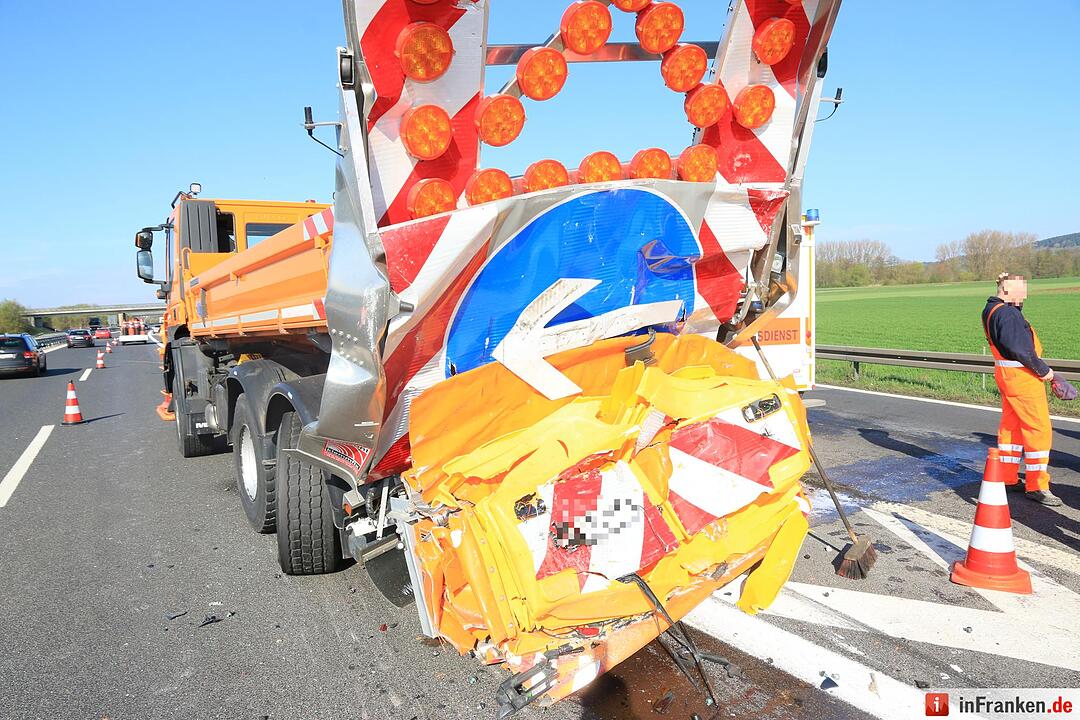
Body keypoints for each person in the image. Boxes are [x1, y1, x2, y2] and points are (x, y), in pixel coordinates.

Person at [982, 273, 1075, 507]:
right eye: (1021, 291)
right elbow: (1021, 350)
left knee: (1011, 427)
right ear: (1006, 290)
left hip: (1006, 375)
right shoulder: (1007, 313)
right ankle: (1037, 485)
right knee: (1038, 429)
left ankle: (1007, 476)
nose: (1025, 296)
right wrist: (1048, 373)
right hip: (1023, 376)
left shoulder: (991, 309)